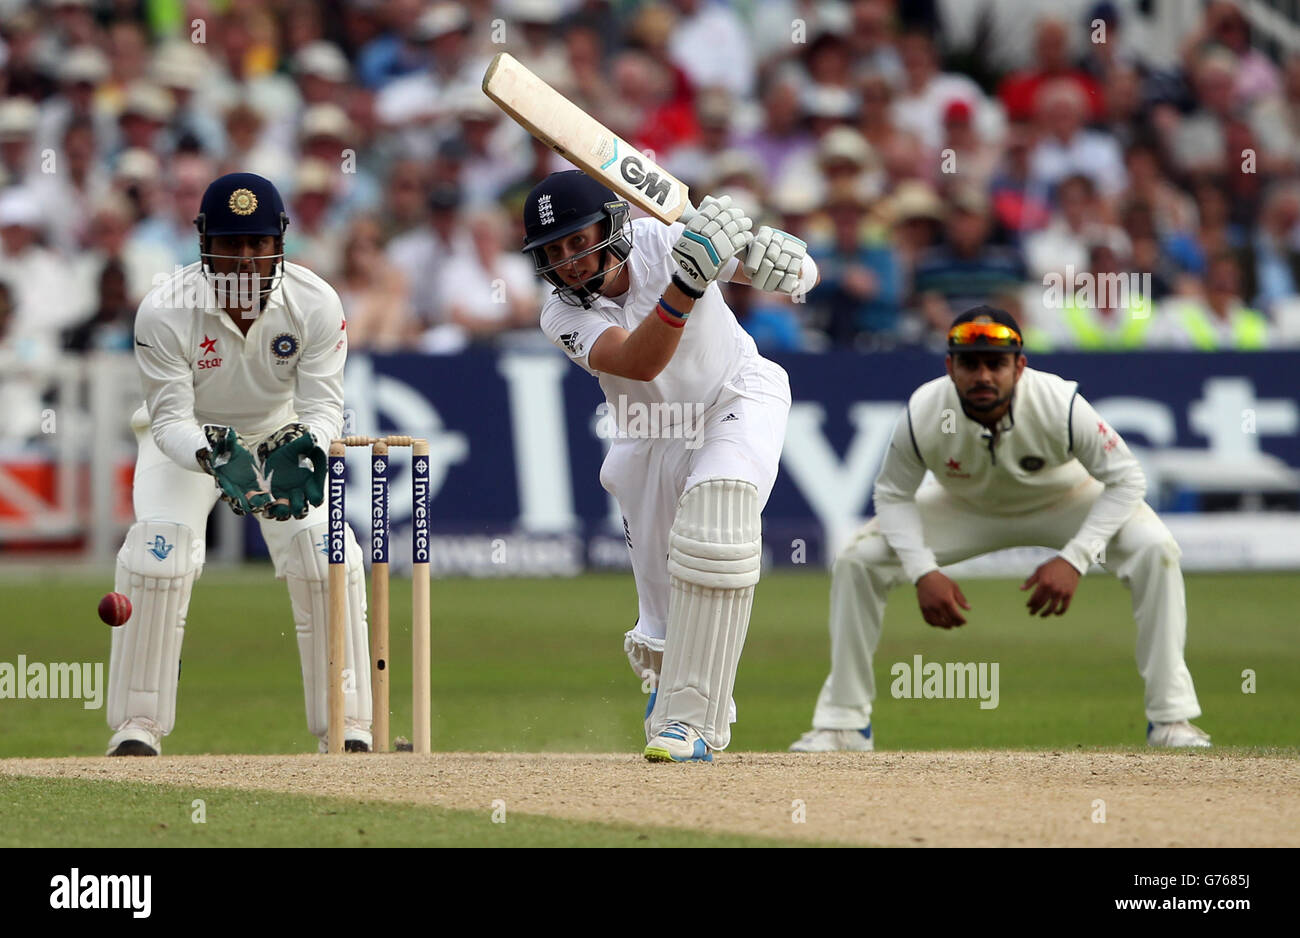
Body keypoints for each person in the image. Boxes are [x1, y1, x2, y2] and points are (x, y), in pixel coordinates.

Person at [789, 307, 1210, 752]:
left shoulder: (1059, 403)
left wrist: (1074, 558)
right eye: (970, 364)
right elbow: (893, 494)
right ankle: (844, 725)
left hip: (1065, 500)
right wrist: (922, 571)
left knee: (1156, 548)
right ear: (950, 367)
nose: (983, 376)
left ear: (1020, 367)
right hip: (964, 506)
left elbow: (1127, 480)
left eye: (996, 363)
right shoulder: (924, 410)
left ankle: (1170, 720)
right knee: (858, 559)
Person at [522, 170, 812, 762]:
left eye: (580, 240)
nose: (571, 261)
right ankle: (669, 684)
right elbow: (639, 362)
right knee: (663, 618)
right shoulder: (559, 315)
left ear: (611, 224)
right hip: (649, 435)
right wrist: (685, 284)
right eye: (555, 251)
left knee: (719, 514)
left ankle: (693, 723)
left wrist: (787, 262)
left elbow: (787, 273)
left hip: (736, 396)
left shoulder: (662, 239)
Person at [107, 172, 372, 756]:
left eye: (258, 244)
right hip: (186, 443)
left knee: (327, 556)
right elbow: (171, 418)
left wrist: (306, 444)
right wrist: (212, 454)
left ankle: (347, 724)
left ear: (280, 242)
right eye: (231, 244)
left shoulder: (316, 302)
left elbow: (326, 407)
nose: (247, 260)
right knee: (161, 556)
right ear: (205, 244)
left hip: (279, 436)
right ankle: (136, 727)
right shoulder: (163, 310)